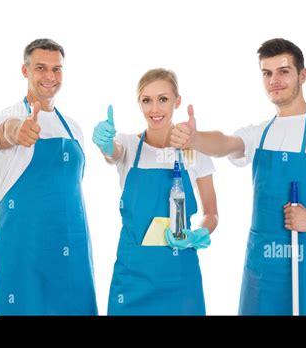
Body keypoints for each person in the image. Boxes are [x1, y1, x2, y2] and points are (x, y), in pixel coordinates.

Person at [170, 38, 306, 315]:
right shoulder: (260, 132)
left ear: (302, 75)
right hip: (260, 268)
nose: (274, 80)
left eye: (283, 71)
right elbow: (226, 143)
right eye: (266, 73)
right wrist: (195, 138)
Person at [92, 68, 218, 315]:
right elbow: (113, 153)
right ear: (139, 104)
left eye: (163, 99)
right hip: (132, 278)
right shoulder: (129, 145)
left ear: (177, 101)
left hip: (180, 276)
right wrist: (105, 145)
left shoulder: (195, 150)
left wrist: (200, 232)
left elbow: (211, 212)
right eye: (146, 100)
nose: (155, 109)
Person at [0, 38, 98, 315]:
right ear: (25, 71)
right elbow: (8, 132)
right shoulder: (8, 117)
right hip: (25, 250)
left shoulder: (73, 128)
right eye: (41, 68)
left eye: (57, 69)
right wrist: (19, 132)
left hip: (73, 248)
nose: (50, 76)